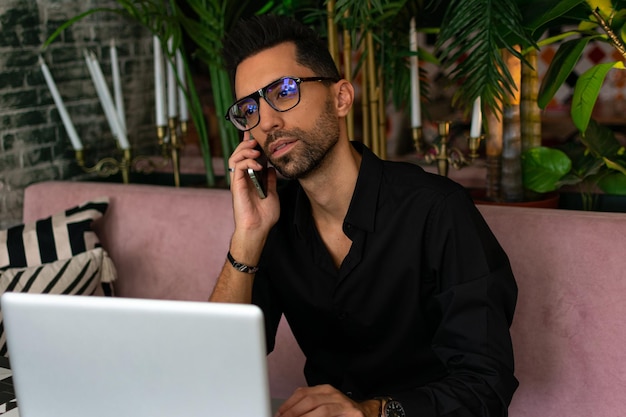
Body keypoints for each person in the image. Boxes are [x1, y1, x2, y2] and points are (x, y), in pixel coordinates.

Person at [210, 14, 518, 417]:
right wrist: (247, 236)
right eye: (249, 108)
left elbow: (486, 385)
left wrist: (372, 412)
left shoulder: (437, 212)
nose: (267, 121)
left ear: (341, 98)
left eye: (284, 91)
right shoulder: (273, 223)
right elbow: (218, 364)